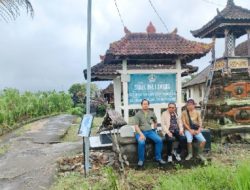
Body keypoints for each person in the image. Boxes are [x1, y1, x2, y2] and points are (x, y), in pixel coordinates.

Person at [133, 99, 166, 167]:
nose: (145, 105)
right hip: (140, 132)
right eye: (144, 104)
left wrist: (155, 129)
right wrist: (141, 135)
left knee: (159, 140)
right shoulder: (138, 114)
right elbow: (136, 126)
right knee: (141, 143)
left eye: (147, 104)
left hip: (150, 131)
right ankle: (141, 160)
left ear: (148, 105)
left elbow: (155, 121)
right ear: (141, 105)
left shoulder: (151, 113)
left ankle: (158, 158)